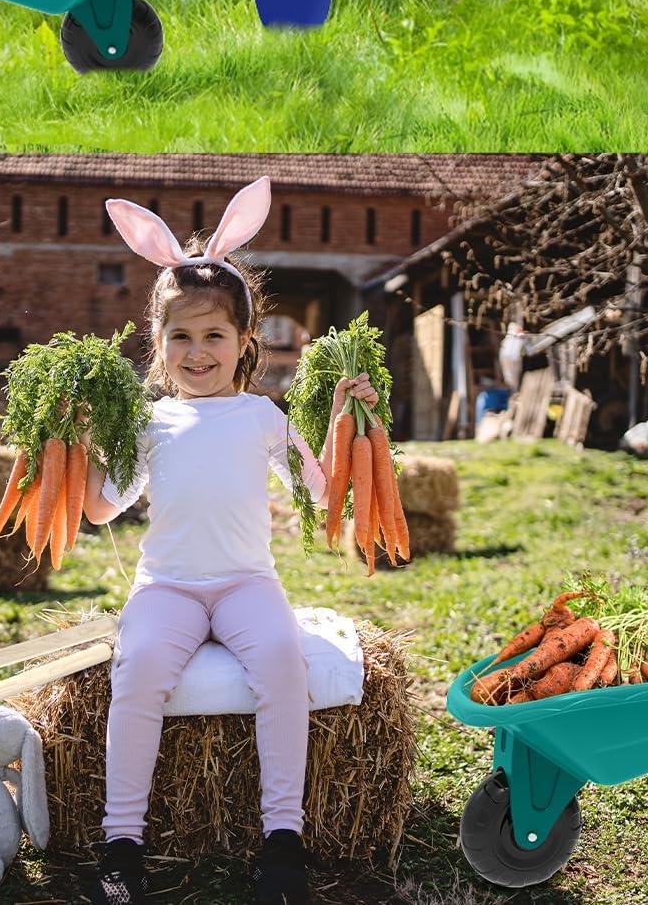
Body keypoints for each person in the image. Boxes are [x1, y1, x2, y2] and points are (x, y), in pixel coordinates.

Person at [80, 178, 377, 905]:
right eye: (180, 335)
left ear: (247, 342)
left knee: (282, 663)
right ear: (158, 343)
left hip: (247, 585)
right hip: (168, 587)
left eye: (214, 334)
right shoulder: (151, 424)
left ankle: (283, 840)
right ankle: (123, 843)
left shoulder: (262, 417)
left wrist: (342, 414)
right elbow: (97, 510)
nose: (197, 350)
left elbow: (321, 494)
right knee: (139, 666)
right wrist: (79, 436)